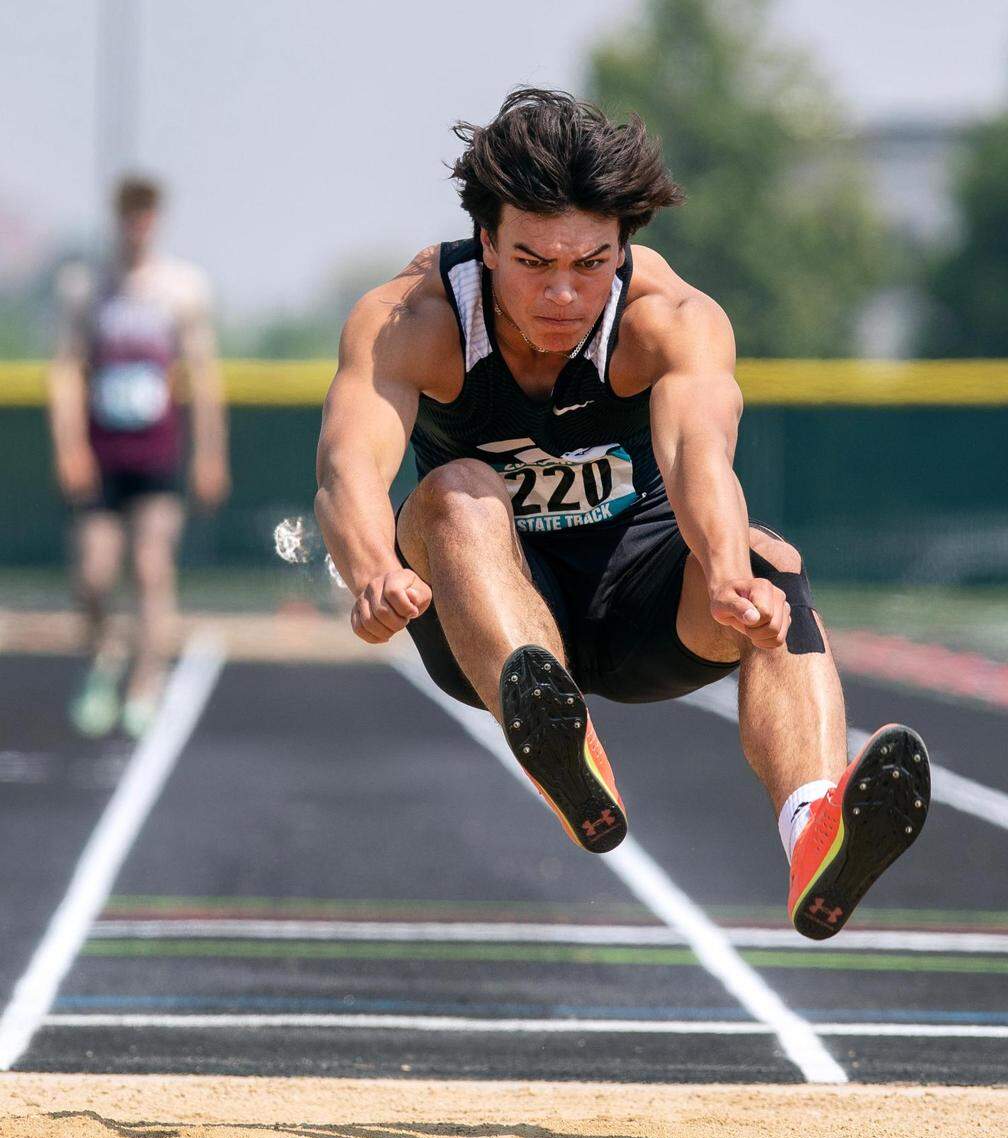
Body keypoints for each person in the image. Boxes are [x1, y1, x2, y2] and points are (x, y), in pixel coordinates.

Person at [315, 89, 931, 940]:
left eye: (590, 264)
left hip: (634, 602)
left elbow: (695, 458)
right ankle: (554, 733)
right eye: (533, 263)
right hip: (482, 617)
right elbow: (348, 466)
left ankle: (815, 827)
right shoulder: (412, 319)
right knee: (457, 492)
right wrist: (374, 572)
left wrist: (724, 574)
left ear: (624, 248)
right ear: (486, 244)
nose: (563, 294)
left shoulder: (670, 321)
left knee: (766, 564)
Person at [49, 175, 228, 738]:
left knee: (152, 568)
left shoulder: (181, 289)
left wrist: (209, 455)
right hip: (102, 456)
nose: (136, 226)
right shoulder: (86, 289)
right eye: (127, 215)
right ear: (117, 219)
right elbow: (66, 372)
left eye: (144, 215)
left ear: (155, 219)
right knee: (94, 575)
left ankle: (146, 683)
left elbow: (203, 377)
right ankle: (105, 659)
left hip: (156, 455)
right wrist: (69, 446)